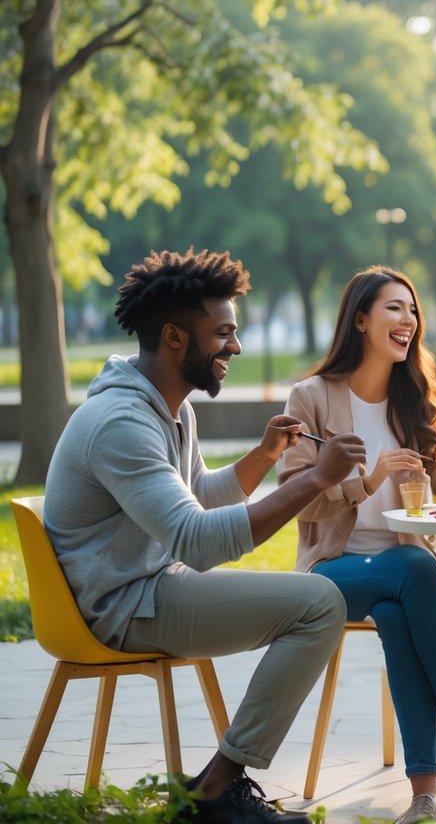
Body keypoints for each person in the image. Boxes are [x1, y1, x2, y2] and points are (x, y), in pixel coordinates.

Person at [44, 249, 365, 824]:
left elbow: (196, 500)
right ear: (173, 337)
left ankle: (216, 787)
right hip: (120, 604)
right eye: (222, 334)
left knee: (316, 601)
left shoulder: (170, 409)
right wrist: (317, 478)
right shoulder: (121, 422)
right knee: (319, 604)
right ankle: (214, 792)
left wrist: (265, 457)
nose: (234, 348)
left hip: (148, 586)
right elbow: (197, 541)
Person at [279, 267, 436, 824]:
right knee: (417, 567)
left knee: (398, 610)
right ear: (360, 319)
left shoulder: (412, 395)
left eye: (412, 310)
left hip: (399, 571)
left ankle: (424, 798)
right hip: (332, 567)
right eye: (394, 308)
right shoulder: (311, 396)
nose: (408, 320)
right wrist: (366, 482)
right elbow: (297, 497)